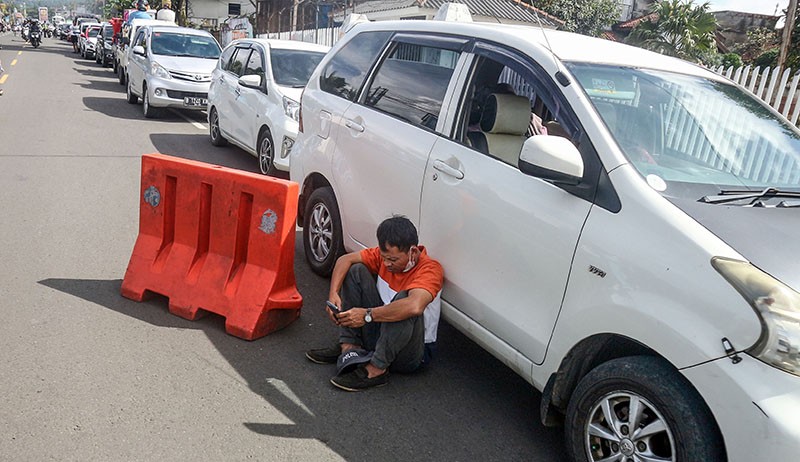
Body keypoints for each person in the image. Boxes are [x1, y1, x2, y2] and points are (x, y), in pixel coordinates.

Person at [306, 215, 444, 391]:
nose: (386, 264)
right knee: (356, 270)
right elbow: (344, 260)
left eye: (393, 260)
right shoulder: (384, 256)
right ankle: (350, 347)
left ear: (413, 252)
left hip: (411, 352)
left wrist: (366, 315)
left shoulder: (430, 269)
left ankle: (377, 369)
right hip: (381, 334)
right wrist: (333, 294)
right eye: (384, 257)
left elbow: (414, 306)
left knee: (404, 302)